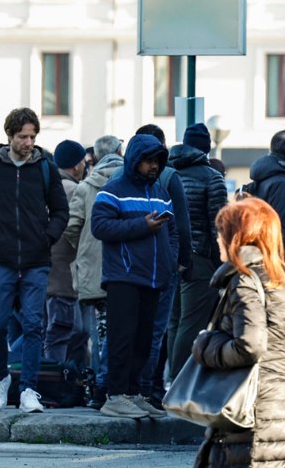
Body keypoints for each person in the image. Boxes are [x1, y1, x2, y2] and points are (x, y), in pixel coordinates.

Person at [0, 108, 71, 414]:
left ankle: (29, 390)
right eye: (23, 136)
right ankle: (0, 377)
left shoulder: (45, 167)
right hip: (3, 259)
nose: (28, 142)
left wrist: (47, 237)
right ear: (9, 135)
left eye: (33, 136)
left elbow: (62, 211)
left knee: (35, 326)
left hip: (37, 260)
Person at [193, 198, 285, 468]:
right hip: (279, 410)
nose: (217, 238)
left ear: (238, 237)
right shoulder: (279, 280)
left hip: (249, 415)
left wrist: (206, 346)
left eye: (222, 231)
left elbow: (250, 345)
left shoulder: (243, 281)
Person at [91, 133, 184, 419]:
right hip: (124, 276)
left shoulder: (160, 192)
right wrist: (141, 226)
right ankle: (116, 395)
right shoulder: (113, 189)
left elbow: (173, 231)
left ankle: (133, 394)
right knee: (123, 338)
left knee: (144, 339)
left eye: (157, 160)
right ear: (134, 160)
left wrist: (170, 261)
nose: (154, 165)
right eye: (148, 160)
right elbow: (100, 227)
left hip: (155, 278)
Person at [246, 130, 285, 403]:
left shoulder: (265, 179)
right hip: (279, 267)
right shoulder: (283, 183)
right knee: (283, 331)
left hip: (266, 263)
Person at [133, 123, 191, 405]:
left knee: (133, 329)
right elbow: (180, 225)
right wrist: (182, 261)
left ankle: (128, 387)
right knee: (157, 328)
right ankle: (149, 387)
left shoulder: (122, 176)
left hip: (132, 266)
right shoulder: (169, 178)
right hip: (159, 265)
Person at [65, 134, 124, 409]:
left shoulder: (86, 187)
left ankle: (99, 389)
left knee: (97, 333)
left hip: (92, 269)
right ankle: (115, 387)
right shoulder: (128, 182)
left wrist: (85, 248)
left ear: (95, 158)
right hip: (124, 266)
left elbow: (71, 226)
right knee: (120, 331)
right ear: (120, 152)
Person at [166, 122, 228, 379]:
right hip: (198, 257)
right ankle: (180, 380)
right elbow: (219, 225)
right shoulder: (212, 177)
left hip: (169, 255)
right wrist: (222, 261)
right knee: (192, 323)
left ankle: (170, 379)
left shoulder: (168, 172)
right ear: (207, 148)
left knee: (174, 321)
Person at [46, 139, 90, 369]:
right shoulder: (73, 189)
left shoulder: (52, 185)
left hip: (53, 271)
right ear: (75, 165)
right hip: (65, 273)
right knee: (65, 330)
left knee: (67, 329)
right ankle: (56, 380)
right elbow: (77, 230)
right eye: (84, 161)